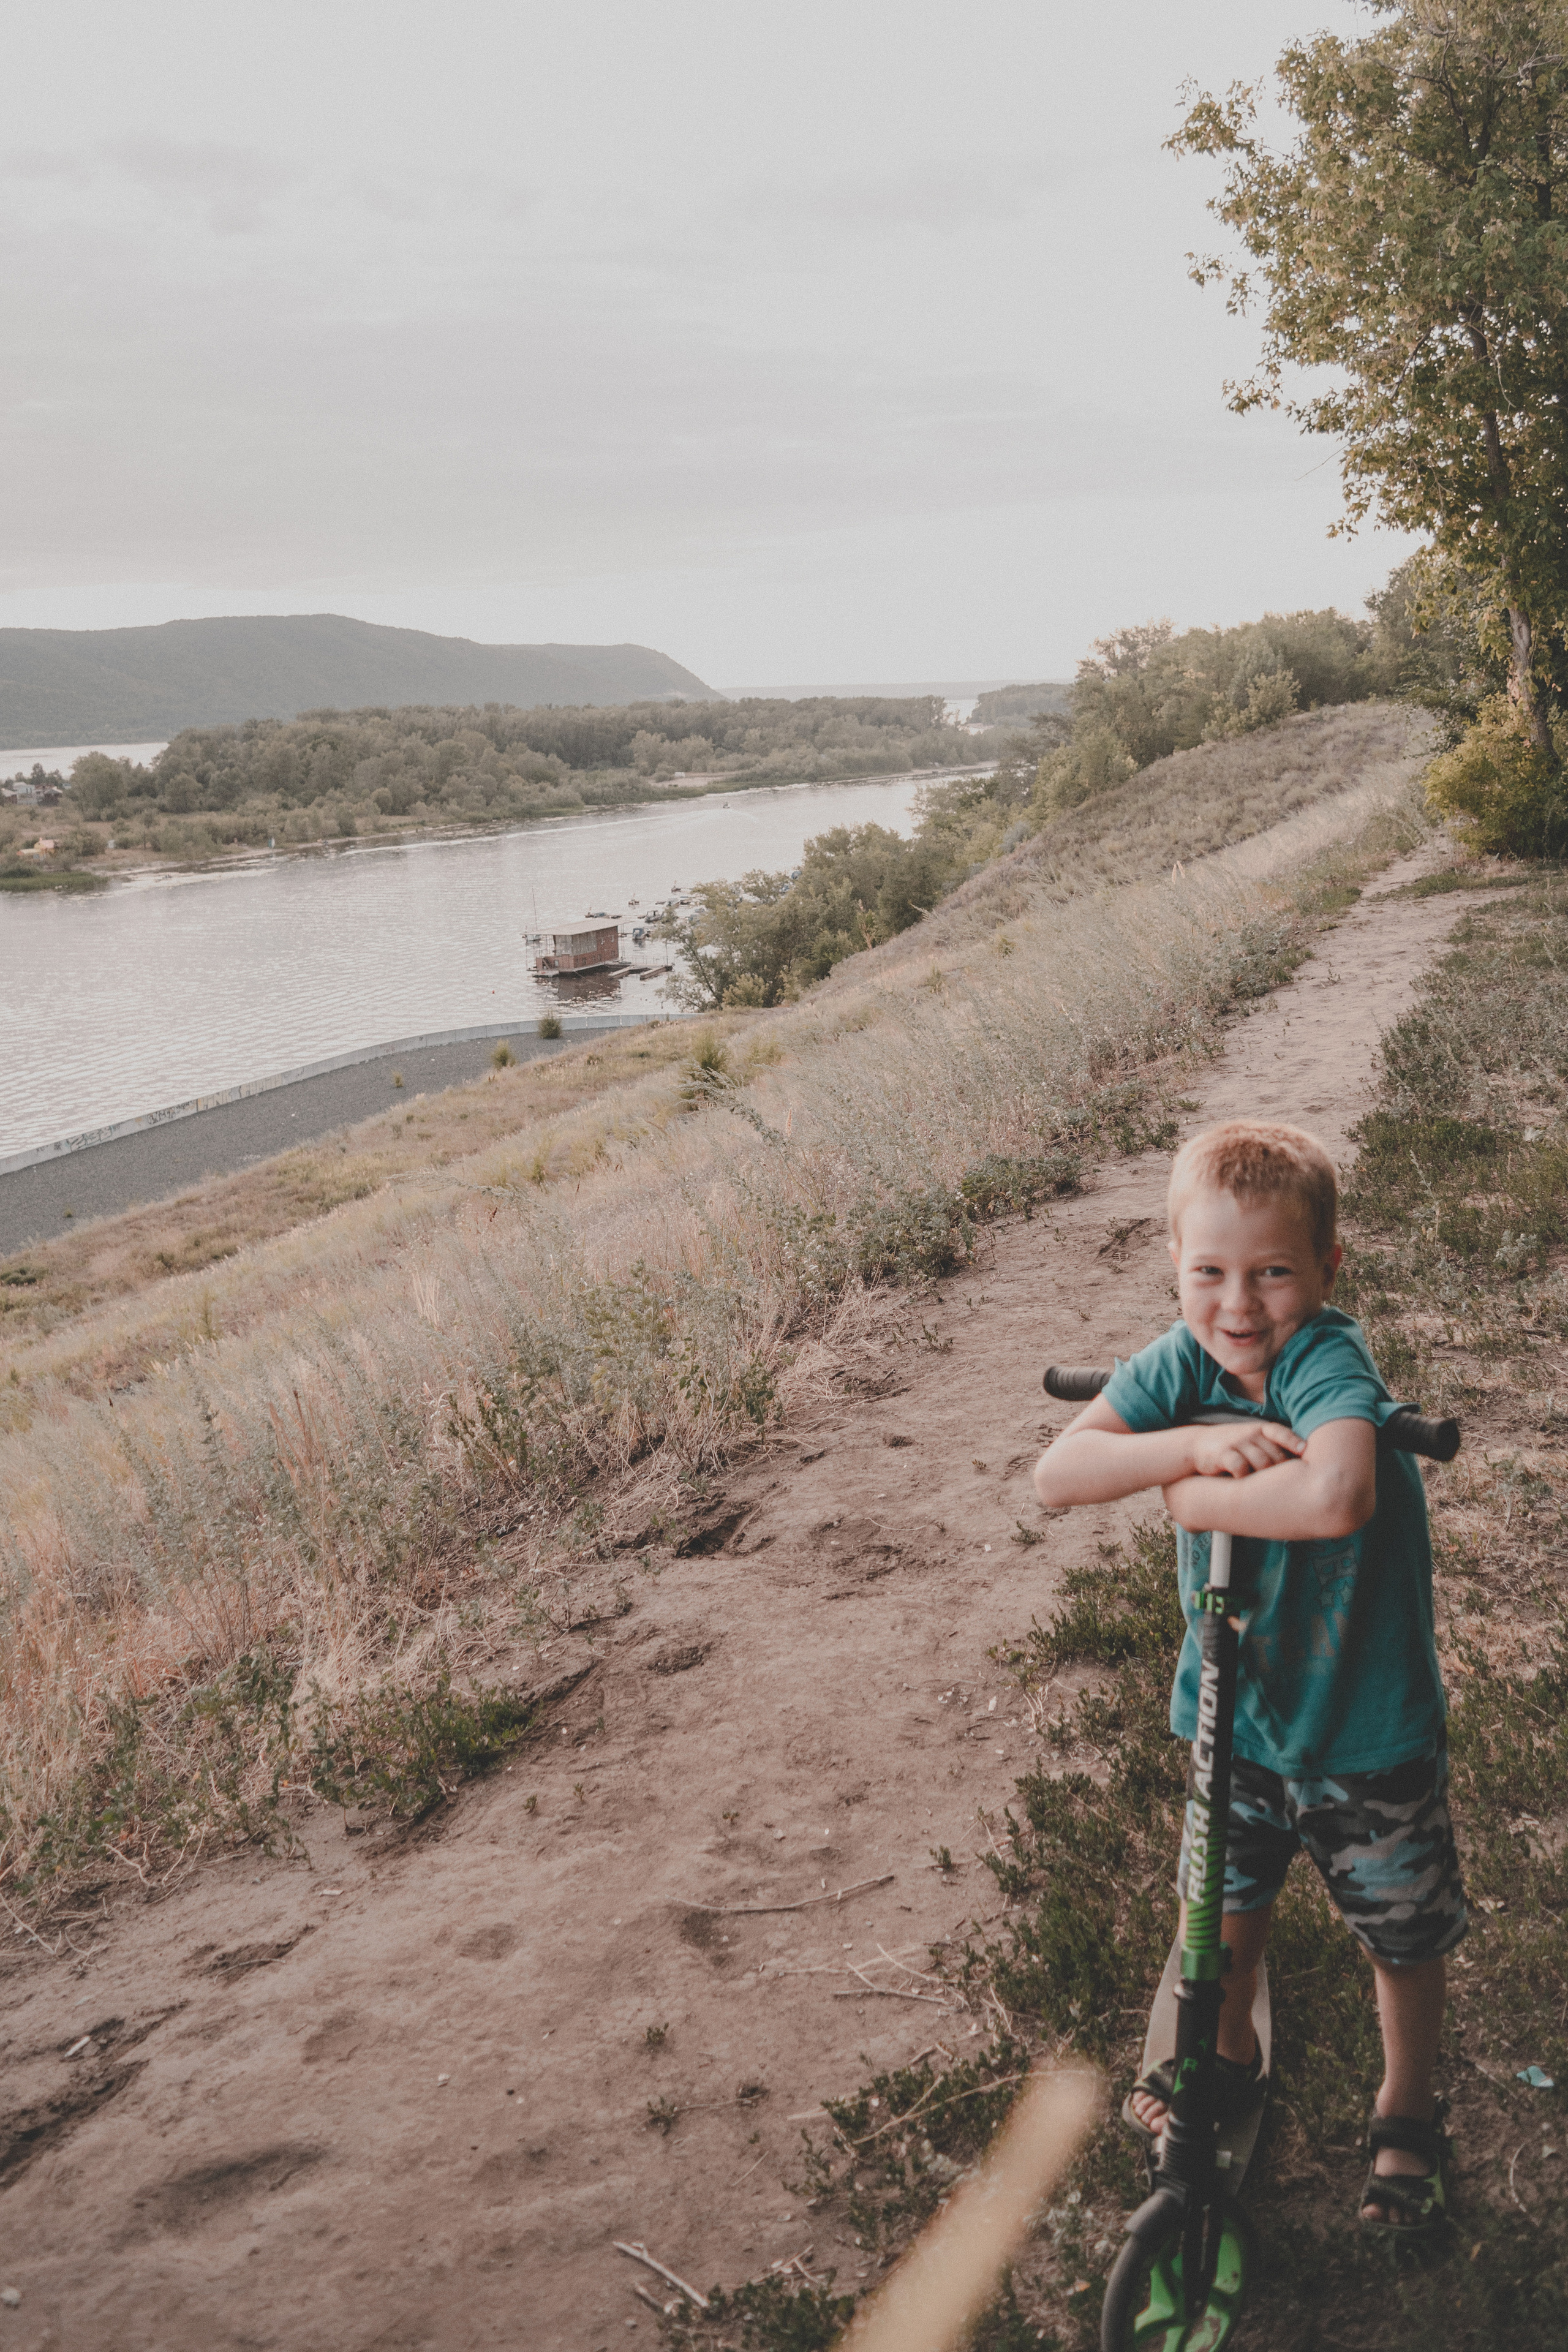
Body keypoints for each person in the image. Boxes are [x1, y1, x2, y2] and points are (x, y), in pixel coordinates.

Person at [1033, 1119, 1464, 2234]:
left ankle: (1407, 2108)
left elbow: (1337, 1495)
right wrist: (1186, 1443)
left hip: (1364, 1723)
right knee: (1221, 1899)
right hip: (1240, 1716)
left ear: (1327, 1267)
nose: (1239, 1306)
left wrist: (1188, 1496)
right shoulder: (1183, 1365)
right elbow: (1061, 1472)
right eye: (1209, 1273)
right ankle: (1223, 2053)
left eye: (1272, 1272)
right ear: (1176, 1266)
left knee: (1401, 1929)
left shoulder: (1325, 1362)